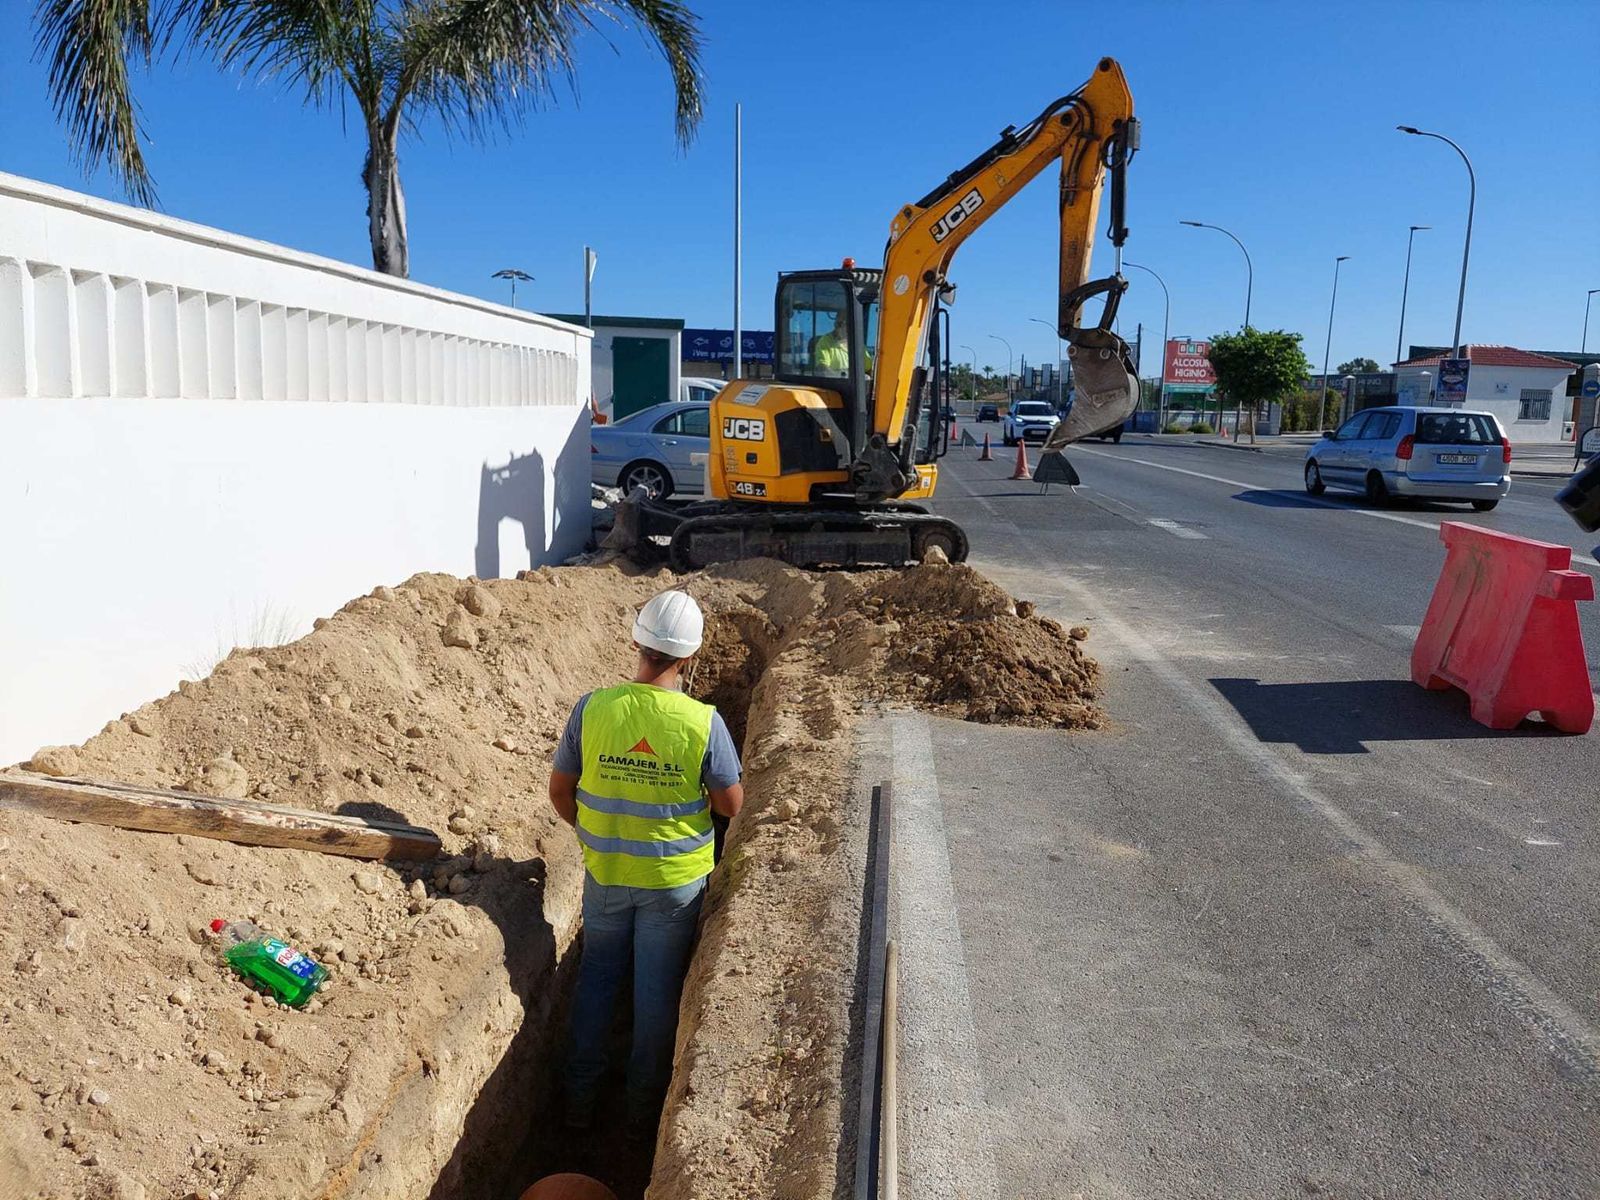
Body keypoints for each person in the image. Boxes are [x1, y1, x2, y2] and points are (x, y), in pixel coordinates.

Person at [548, 589, 744, 1134]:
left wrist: (595, 832)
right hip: (673, 886)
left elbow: (560, 790)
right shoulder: (702, 722)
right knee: (656, 994)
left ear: (637, 642)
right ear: (689, 657)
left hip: (606, 876)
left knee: (598, 980)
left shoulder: (594, 708)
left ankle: (578, 1105)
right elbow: (731, 805)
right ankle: (640, 1120)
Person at [814, 309, 851, 375]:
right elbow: (822, 368)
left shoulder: (857, 344)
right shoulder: (825, 342)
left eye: (844, 324)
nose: (840, 327)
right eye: (839, 324)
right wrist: (839, 379)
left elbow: (869, 368)